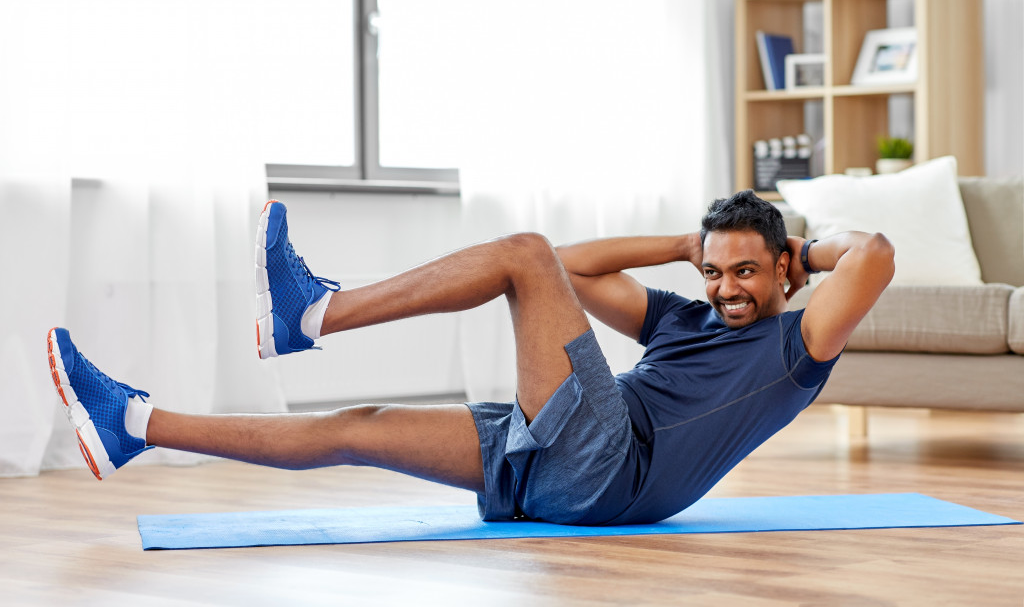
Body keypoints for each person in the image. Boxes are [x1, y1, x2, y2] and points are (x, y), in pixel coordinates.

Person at [46, 191, 894, 525]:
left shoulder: (795, 347)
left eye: (746, 270)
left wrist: (800, 247)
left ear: (785, 268)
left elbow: (877, 254)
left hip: (610, 463)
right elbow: (573, 265)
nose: (726, 288)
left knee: (517, 250)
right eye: (714, 272)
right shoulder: (683, 318)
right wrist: (684, 243)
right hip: (561, 466)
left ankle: (313, 313)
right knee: (357, 427)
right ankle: (133, 424)